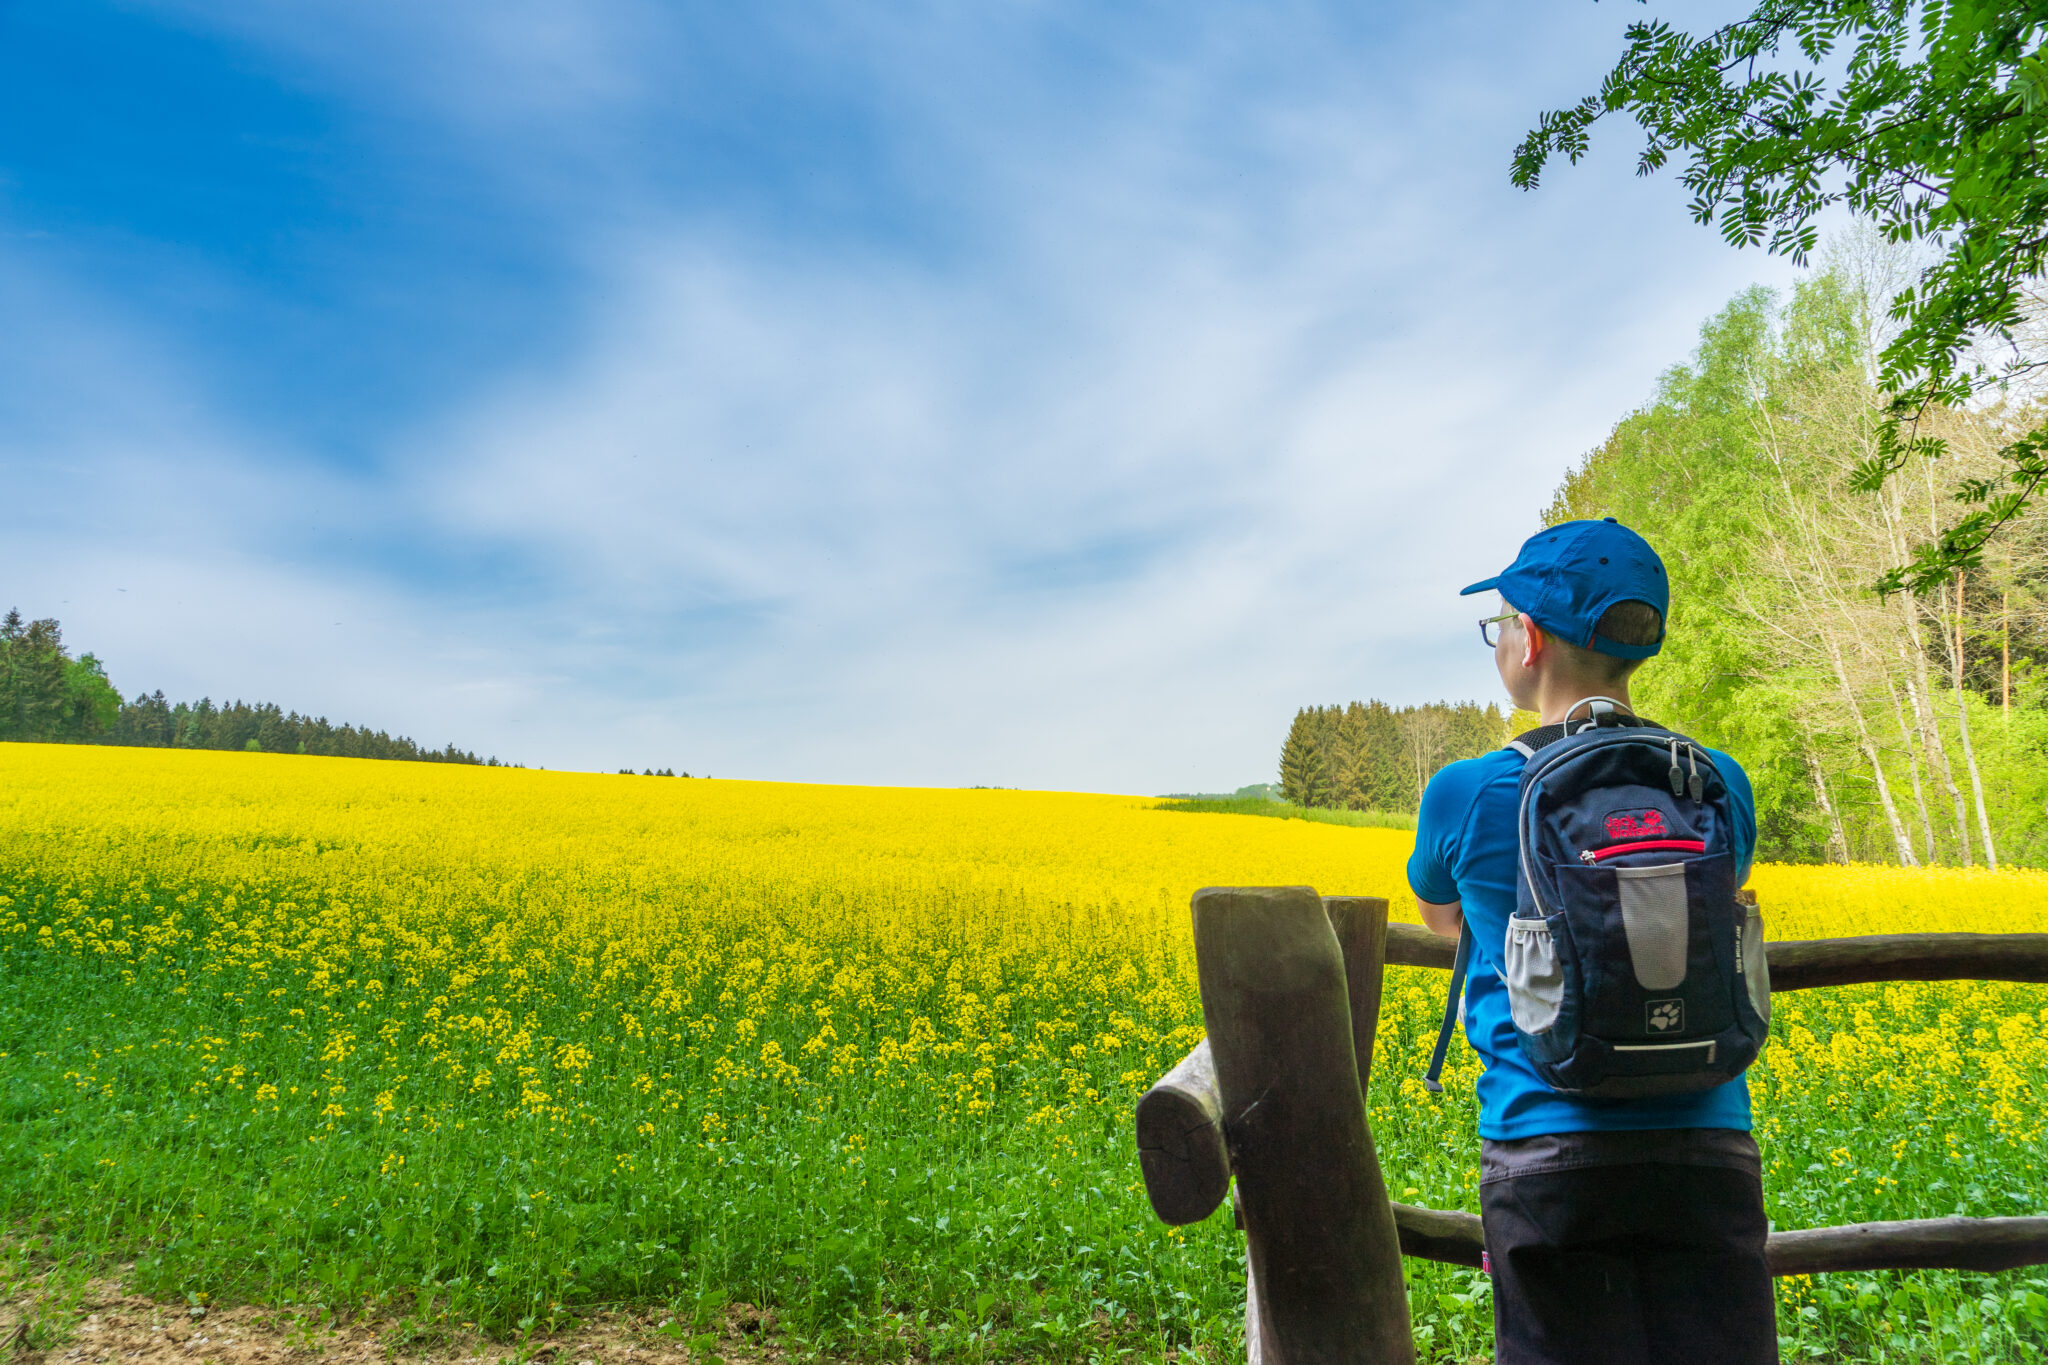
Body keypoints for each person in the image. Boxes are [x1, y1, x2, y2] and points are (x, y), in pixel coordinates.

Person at [1406, 518, 1777, 1365]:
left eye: (1501, 623)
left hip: (1546, 1151)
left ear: (1528, 640)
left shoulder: (1466, 790)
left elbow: (1443, 917)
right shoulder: (1717, 780)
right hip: (1707, 1144)